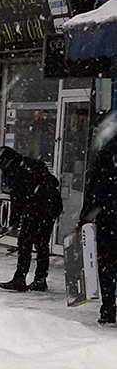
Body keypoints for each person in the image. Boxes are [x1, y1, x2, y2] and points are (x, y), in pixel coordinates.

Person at [0, 146, 63, 292]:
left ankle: (20, 279)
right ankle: (40, 280)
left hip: (41, 207)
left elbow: (17, 198)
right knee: (41, 243)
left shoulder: (17, 171)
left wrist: (13, 222)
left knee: (25, 242)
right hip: (51, 206)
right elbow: (53, 182)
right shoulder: (30, 163)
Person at [80, 114, 117, 324]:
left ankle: (109, 307)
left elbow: (95, 189)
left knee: (108, 264)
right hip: (109, 214)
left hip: (109, 217)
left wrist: (84, 218)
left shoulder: (106, 155)